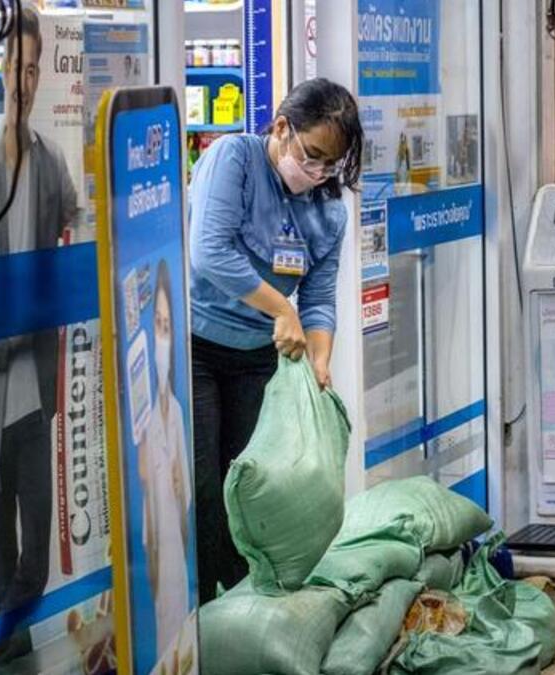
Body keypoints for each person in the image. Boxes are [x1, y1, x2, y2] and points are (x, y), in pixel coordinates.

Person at [188, 77, 363, 602]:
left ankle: (244, 605)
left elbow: (319, 298)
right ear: (282, 127)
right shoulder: (234, 160)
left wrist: (320, 359)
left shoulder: (328, 210)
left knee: (247, 487)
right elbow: (209, 251)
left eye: (329, 165)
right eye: (311, 155)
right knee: (201, 486)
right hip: (195, 350)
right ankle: (200, 613)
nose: (316, 173)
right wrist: (279, 307)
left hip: (258, 361)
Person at [0, 6, 81, 660]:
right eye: (17, 65)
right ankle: (5, 650)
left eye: (35, 67)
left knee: (33, 554)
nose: (26, 78)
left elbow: (72, 213)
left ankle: (8, 637)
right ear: (0, 67)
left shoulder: (46, 161)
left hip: (34, 386)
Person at [139, 260, 191, 658]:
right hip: (154, 572)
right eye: (157, 324)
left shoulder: (174, 412)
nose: (162, 336)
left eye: (167, 327)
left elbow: (184, 499)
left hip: (178, 565)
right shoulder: (143, 421)